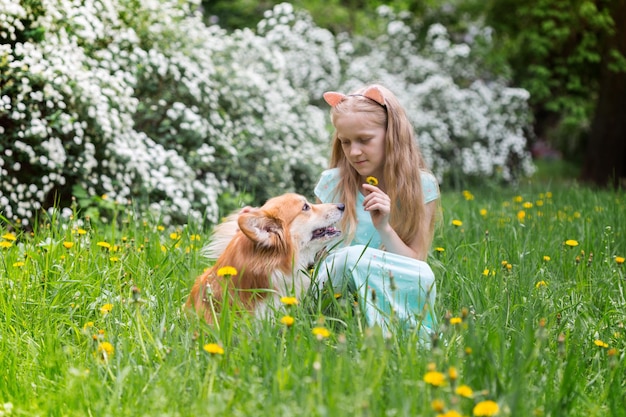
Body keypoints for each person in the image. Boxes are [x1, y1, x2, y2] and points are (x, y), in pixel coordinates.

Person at [314, 84, 440, 344]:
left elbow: (414, 265)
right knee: (350, 257)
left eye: (364, 140)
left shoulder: (422, 186)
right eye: (345, 142)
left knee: (424, 274)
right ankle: (376, 336)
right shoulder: (331, 184)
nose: (354, 152)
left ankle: (403, 340)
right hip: (334, 287)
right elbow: (313, 256)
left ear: (391, 134)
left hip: (389, 281)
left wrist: (385, 227)